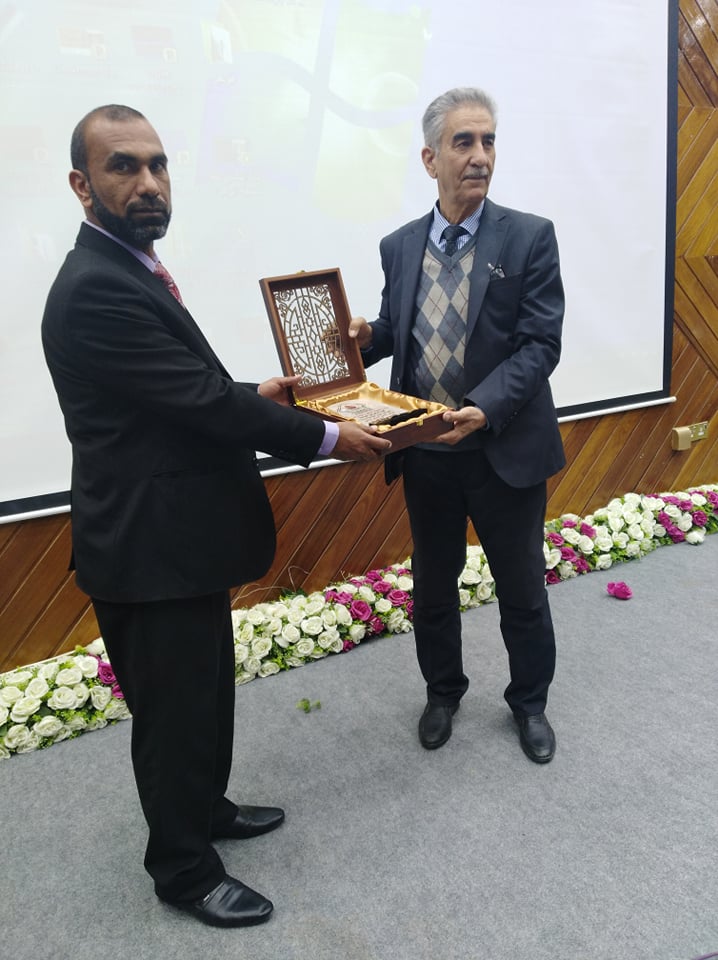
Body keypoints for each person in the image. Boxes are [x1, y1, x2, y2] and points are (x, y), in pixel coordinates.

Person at [41, 104, 391, 929]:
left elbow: (172, 394)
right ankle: (183, 870)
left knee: (202, 694)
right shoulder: (95, 287)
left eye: (159, 164)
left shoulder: (131, 267)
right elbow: (196, 401)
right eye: (124, 166)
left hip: (177, 539)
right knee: (173, 716)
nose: (149, 183)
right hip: (147, 548)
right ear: (81, 185)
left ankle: (205, 810)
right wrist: (327, 435)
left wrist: (254, 395)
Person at [349, 86, 565, 763]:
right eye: (463, 142)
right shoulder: (398, 246)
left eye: (488, 141)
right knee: (434, 589)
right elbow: (399, 327)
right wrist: (364, 338)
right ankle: (442, 693)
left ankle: (529, 703)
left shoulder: (529, 236)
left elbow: (540, 344)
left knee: (521, 589)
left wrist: (485, 407)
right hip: (428, 452)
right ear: (430, 158)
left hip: (504, 446)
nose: (479, 156)